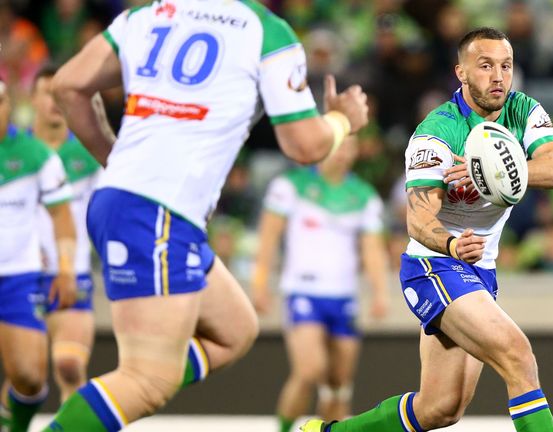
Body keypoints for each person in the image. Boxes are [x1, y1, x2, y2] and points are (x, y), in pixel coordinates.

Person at [45, 0, 369, 430]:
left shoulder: (146, 15)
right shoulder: (265, 30)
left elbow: (67, 85)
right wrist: (341, 120)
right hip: (158, 213)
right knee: (145, 381)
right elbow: (305, 146)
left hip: (135, 203)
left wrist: (116, 160)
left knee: (234, 331)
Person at [302, 27, 553, 432]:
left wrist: (499, 168)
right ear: (461, 73)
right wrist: (450, 242)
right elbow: (418, 220)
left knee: (440, 408)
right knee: (518, 355)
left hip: (479, 269)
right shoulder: (437, 133)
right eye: (485, 66)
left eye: (506, 66)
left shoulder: (523, 110)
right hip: (436, 263)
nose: (498, 77)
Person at [252, 137, 390, 432]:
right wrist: (260, 285)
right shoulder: (290, 186)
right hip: (303, 292)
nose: (343, 153)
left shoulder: (364, 196)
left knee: (339, 384)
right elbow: (268, 239)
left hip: (344, 296)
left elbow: (372, 251)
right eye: (338, 144)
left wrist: (380, 293)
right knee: (309, 370)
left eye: (349, 146)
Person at [0, 75, 77, 432]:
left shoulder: (36, 156)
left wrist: (65, 269)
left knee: (30, 377)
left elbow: (61, 215)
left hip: (18, 276)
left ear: (10, 108)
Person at [32, 65, 102, 404]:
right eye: (47, 92)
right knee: (25, 378)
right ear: (31, 98)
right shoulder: (15, 153)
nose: (54, 101)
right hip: (19, 276)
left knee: (70, 365)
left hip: (70, 275)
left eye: (62, 93)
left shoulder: (88, 155)